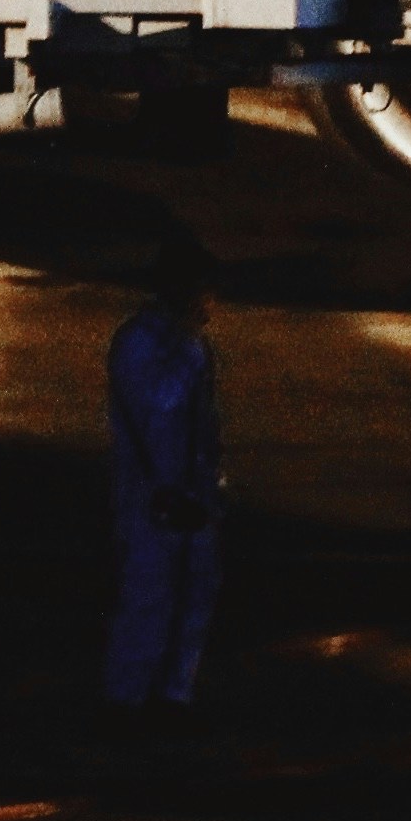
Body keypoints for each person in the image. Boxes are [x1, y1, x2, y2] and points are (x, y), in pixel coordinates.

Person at [104, 254, 223, 725]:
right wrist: (189, 351)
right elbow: (161, 402)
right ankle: (127, 699)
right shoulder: (139, 341)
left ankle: (174, 695)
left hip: (192, 487)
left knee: (194, 596)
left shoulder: (188, 345)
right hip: (152, 490)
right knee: (148, 595)